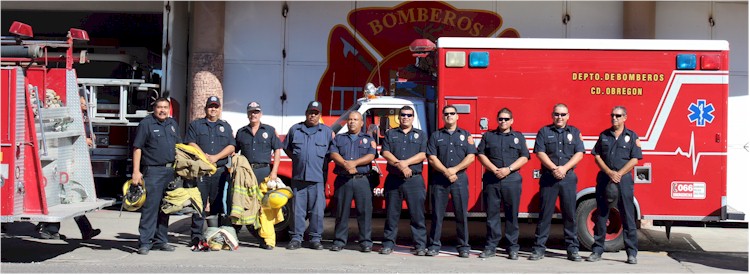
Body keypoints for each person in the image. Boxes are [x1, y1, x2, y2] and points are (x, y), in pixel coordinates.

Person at [529, 103, 584, 261]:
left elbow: (579, 153)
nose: (559, 117)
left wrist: (564, 169)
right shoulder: (544, 131)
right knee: (545, 214)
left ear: (568, 116)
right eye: (557, 114)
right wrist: (555, 169)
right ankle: (539, 249)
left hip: (568, 178)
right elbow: (540, 152)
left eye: (563, 114)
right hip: (549, 178)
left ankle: (572, 249)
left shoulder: (574, 132)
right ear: (552, 116)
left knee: (570, 215)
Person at [587, 106, 642, 264]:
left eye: (618, 116)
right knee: (602, 215)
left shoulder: (631, 136)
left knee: (628, 216)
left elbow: (635, 159)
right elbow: (596, 156)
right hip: (605, 179)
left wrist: (619, 173)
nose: (614, 118)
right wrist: (609, 172)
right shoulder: (604, 135)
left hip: (623, 180)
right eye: (612, 115)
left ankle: (631, 253)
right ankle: (597, 250)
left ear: (625, 117)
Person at [476, 108, 529, 260]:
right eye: (500, 119)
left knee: (512, 215)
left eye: (506, 119)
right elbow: (480, 154)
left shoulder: (518, 137)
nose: (503, 121)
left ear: (511, 121)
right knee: (492, 215)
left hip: (511, 180)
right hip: (492, 180)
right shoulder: (488, 136)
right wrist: (493, 169)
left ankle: (512, 247)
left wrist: (508, 169)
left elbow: (525, 157)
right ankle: (491, 246)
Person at [184, 96, 235, 248]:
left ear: (219, 109)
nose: (213, 109)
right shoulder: (196, 125)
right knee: (198, 205)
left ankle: (215, 236)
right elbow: (190, 142)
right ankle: (196, 237)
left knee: (217, 205)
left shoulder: (225, 126)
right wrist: (204, 157)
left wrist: (215, 157)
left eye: (216, 107)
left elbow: (232, 146)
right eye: (210, 107)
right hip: (201, 172)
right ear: (205, 109)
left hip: (219, 172)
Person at [131, 97, 181, 255]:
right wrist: (136, 171)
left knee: (165, 208)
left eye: (165, 107)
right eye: (159, 107)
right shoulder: (146, 124)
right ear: (154, 108)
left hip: (170, 172)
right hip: (153, 171)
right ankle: (145, 242)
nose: (162, 110)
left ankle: (161, 240)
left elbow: (179, 147)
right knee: (150, 209)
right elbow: (137, 148)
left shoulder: (172, 124)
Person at [426, 105, 476, 258]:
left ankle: (463, 246)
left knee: (461, 214)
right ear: (442, 117)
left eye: (452, 113)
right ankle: (434, 245)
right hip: (440, 179)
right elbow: (432, 158)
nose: (449, 116)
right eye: (446, 114)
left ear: (457, 116)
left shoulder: (466, 135)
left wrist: (454, 170)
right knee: (437, 214)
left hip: (459, 178)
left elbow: (471, 156)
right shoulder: (435, 136)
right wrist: (446, 171)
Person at [283, 100, 334, 250]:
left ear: (320, 115)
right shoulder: (295, 130)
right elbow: (287, 148)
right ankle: (296, 238)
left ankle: (315, 239)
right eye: (310, 112)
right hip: (299, 178)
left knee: (317, 212)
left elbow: (332, 154)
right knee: (297, 211)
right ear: (306, 113)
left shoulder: (326, 132)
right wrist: (299, 160)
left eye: (316, 113)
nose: (312, 115)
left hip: (317, 179)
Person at [379, 106, 428, 256]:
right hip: (394, 179)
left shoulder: (421, 135)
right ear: (398, 117)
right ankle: (388, 244)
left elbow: (423, 154)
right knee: (392, 214)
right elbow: (385, 152)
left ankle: (420, 245)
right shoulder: (391, 133)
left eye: (409, 115)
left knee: (417, 215)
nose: (406, 117)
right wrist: (400, 165)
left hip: (414, 180)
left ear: (413, 117)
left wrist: (405, 163)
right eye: (403, 115)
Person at [234, 101, 283, 249]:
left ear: (260, 114)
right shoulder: (241, 132)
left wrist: (274, 172)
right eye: (251, 112)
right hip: (247, 174)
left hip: (264, 171)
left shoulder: (269, 130)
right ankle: (234, 235)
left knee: (263, 208)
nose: (253, 114)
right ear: (247, 114)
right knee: (245, 204)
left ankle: (264, 240)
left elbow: (278, 151)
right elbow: (235, 152)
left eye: (256, 112)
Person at [328, 111, 377, 253]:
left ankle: (366, 242)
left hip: (362, 180)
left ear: (362, 123)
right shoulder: (339, 138)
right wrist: (345, 164)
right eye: (350, 119)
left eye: (355, 119)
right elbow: (333, 153)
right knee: (341, 212)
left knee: (365, 212)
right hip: (344, 180)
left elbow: (371, 155)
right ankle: (339, 241)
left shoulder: (368, 138)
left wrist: (353, 163)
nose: (352, 122)